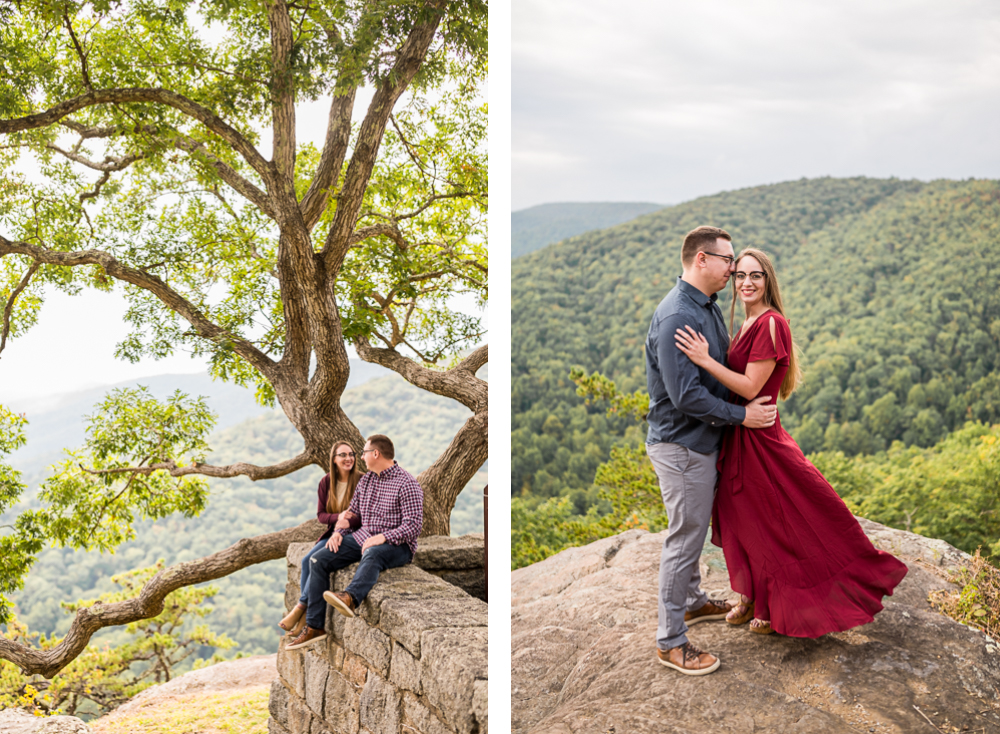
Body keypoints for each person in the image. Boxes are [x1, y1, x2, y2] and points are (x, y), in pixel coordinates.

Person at [674, 247, 908, 638]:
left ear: (768, 281)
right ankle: (749, 594)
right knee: (741, 517)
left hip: (760, 437)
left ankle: (771, 603)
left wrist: (704, 360)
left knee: (773, 520)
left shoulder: (770, 324)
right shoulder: (745, 323)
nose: (747, 283)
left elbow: (750, 386)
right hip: (738, 434)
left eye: (756, 276)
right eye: (741, 276)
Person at [645, 226, 778, 676]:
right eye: (727, 260)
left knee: (694, 530)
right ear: (701, 260)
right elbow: (685, 397)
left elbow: (716, 371)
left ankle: (692, 601)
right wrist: (743, 418)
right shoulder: (678, 315)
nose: (733, 268)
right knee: (685, 537)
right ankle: (670, 641)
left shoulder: (707, 306)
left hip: (700, 441)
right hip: (683, 444)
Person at [287, 434, 423, 650]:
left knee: (373, 553)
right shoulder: (367, 480)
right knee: (316, 559)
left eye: (364, 452)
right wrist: (339, 531)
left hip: (398, 546)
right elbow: (352, 513)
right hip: (362, 537)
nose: (361, 456)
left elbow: (414, 526)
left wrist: (383, 537)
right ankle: (314, 627)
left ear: (376, 454)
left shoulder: (407, 484)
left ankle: (350, 597)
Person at [277, 441, 363, 637]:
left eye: (351, 454)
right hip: (333, 532)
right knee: (307, 560)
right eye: (343, 455)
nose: (348, 458)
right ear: (334, 459)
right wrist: (339, 517)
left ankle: (300, 608)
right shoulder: (326, 482)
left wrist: (346, 523)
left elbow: (365, 517)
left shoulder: (362, 481)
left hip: (353, 534)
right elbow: (321, 515)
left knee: (316, 561)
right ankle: (304, 613)